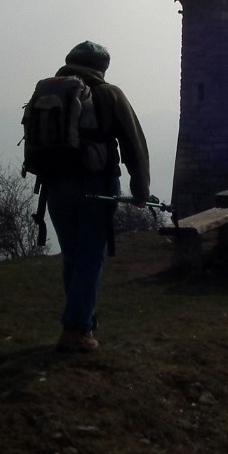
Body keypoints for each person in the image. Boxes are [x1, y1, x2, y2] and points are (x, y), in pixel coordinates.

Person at [44, 41, 150, 354]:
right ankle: (76, 330)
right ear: (101, 67)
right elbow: (134, 144)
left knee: (74, 256)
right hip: (97, 185)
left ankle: (84, 322)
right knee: (91, 256)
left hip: (54, 187)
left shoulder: (50, 91)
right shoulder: (108, 93)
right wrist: (141, 190)